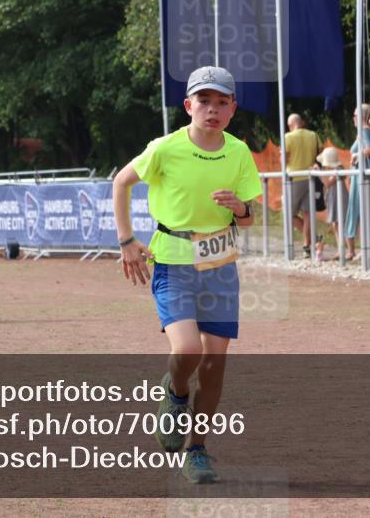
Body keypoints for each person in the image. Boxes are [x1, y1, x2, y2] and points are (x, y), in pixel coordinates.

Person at [112, 66, 261, 485]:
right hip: (173, 262)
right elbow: (121, 183)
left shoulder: (238, 153)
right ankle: (176, 391)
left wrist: (240, 209)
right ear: (188, 105)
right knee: (189, 350)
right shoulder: (165, 148)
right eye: (204, 101)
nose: (212, 110)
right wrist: (127, 240)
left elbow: (251, 218)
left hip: (220, 264)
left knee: (214, 363)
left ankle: (197, 451)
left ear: (232, 109)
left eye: (221, 103)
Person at [345, 104, 370, 261]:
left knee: (364, 211)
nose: (353, 118)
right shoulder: (367, 131)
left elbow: (369, 150)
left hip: (365, 177)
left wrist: (355, 156)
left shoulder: (365, 130)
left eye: (355, 115)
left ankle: (367, 249)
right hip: (365, 176)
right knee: (367, 211)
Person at [285, 113, 323, 258]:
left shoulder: (288, 137)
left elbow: (284, 158)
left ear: (290, 125)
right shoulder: (313, 135)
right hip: (311, 177)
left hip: (294, 178)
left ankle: (313, 240)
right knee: (308, 213)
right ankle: (308, 245)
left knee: (289, 214)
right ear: (301, 123)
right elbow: (321, 153)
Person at [317, 147, 348, 261]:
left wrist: (319, 173)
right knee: (336, 225)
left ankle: (347, 250)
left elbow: (327, 183)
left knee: (341, 224)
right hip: (333, 197)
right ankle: (341, 250)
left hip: (339, 198)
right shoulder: (332, 170)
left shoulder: (338, 170)